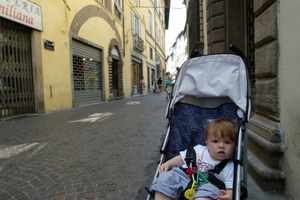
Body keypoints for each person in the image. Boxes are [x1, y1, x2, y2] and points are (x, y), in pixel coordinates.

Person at [151, 118, 237, 200]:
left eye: (227, 142)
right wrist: (168, 163)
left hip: (208, 186)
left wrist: (229, 194)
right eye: (215, 141)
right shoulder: (199, 150)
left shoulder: (230, 167)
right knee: (165, 178)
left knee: (208, 196)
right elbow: (182, 158)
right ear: (207, 142)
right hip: (186, 176)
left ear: (234, 146)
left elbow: (230, 187)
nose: (221, 146)